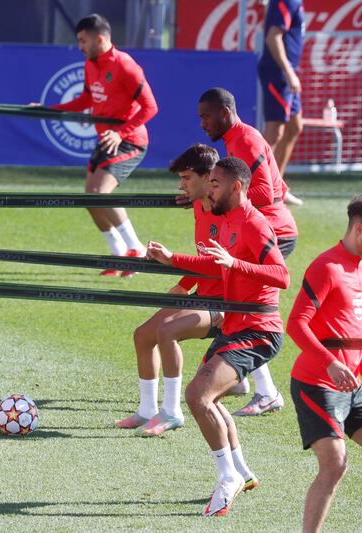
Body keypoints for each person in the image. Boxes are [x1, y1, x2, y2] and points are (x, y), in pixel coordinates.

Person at [147, 157, 289, 516]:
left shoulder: (255, 225)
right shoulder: (225, 222)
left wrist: (235, 264)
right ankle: (241, 471)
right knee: (209, 398)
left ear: (236, 187)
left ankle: (228, 478)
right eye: (208, 183)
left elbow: (282, 276)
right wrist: (172, 259)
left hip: (259, 328)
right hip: (236, 327)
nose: (208, 190)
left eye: (214, 184)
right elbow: (214, 263)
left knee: (197, 395)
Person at [198, 87, 298, 415]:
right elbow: (276, 185)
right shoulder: (237, 139)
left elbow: (266, 193)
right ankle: (246, 381)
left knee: (246, 311)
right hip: (259, 229)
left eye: (206, 117)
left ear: (225, 113)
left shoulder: (245, 139)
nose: (202, 124)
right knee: (237, 307)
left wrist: (219, 201)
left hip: (270, 232)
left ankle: (261, 388)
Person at [116, 144, 224, 436]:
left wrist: (173, 260)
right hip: (204, 296)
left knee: (167, 330)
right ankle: (147, 410)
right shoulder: (200, 205)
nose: (181, 185)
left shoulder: (223, 211)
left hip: (227, 305)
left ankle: (173, 412)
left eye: (187, 177)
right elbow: (204, 259)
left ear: (207, 177)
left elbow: (219, 266)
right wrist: (184, 284)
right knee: (142, 335)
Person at [47, 13, 158, 277]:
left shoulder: (125, 65)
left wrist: (121, 133)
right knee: (89, 198)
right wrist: (49, 109)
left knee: (99, 192)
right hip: (107, 139)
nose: (80, 46)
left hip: (130, 140)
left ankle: (137, 249)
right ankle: (119, 254)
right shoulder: (90, 64)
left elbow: (151, 107)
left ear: (100, 38)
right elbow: (86, 98)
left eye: (83, 41)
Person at [286, 195, 362, 533]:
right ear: (360, 229)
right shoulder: (327, 267)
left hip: (355, 385)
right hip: (318, 384)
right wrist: (331, 363)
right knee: (334, 465)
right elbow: (296, 324)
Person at [258, 0, 305, 206]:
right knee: (274, 131)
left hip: (286, 73)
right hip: (278, 73)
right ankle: (248, 184)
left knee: (294, 127)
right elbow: (272, 37)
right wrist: (288, 72)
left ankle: (278, 188)